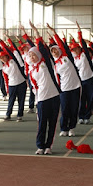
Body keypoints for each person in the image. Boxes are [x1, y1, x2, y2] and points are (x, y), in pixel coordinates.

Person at [28, 21, 61, 155]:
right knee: (42, 123)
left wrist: (35, 32)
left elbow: (41, 47)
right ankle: (40, 146)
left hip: (54, 96)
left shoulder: (46, 63)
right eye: (30, 56)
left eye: (34, 55)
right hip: (42, 98)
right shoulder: (31, 71)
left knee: (52, 123)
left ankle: (48, 146)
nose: (32, 57)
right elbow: (34, 87)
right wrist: (36, 100)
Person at [47, 23, 81, 137]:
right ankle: (64, 128)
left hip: (75, 87)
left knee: (74, 108)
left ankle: (72, 127)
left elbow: (61, 45)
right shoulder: (55, 65)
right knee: (65, 109)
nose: (54, 52)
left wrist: (53, 32)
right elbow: (57, 79)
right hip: (64, 89)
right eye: (52, 51)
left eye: (55, 50)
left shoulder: (67, 57)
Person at [0, 34, 27, 122]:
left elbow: (6, 48)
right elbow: (6, 79)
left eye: (3, 57)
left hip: (21, 83)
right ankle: (8, 114)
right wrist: (7, 89)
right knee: (11, 100)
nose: (3, 59)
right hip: (12, 84)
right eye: (1, 58)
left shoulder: (13, 60)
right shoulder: (4, 68)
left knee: (21, 100)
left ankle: (20, 115)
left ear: (7, 56)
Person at [69, 22, 93, 125]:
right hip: (80, 81)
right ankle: (81, 116)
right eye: (73, 49)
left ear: (79, 48)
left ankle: (87, 116)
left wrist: (79, 31)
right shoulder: (73, 59)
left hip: (90, 79)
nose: (75, 50)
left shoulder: (85, 54)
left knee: (90, 98)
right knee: (81, 99)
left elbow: (83, 44)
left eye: (76, 48)